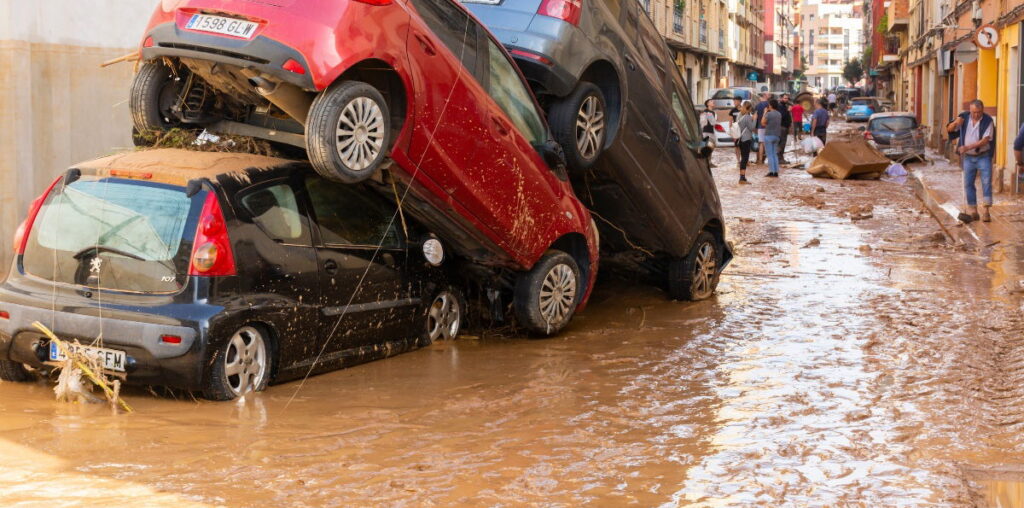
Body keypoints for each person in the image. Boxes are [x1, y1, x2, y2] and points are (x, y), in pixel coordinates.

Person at [947, 99, 996, 222]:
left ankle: (986, 210)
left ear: (982, 110)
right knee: (968, 183)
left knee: (986, 181)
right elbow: (949, 130)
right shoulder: (964, 117)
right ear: (970, 110)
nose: (976, 115)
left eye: (979, 112)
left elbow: (985, 140)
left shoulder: (988, 121)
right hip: (968, 157)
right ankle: (973, 210)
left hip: (983, 155)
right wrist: (955, 123)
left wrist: (967, 147)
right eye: (974, 112)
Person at [761, 99, 782, 177]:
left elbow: (762, 123)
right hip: (777, 135)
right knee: (774, 154)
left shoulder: (768, 114)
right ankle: (776, 172)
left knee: (770, 154)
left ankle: (771, 172)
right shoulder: (779, 114)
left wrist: (764, 112)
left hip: (769, 135)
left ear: (771, 105)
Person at [736, 100, 756, 184]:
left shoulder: (741, 116)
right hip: (746, 139)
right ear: (750, 108)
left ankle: (742, 177)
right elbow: (752, 128)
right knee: (745, 158)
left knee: (743, 158)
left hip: (741, 139)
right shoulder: (747, 117)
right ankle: (742, 178)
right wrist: (755, 119)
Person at [754, 93, 770, 164]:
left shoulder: (757, 105)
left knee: (761, 143)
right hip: (768, 126)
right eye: (768, 94)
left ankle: (760, 160)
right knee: (768, 143)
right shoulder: (768, 104)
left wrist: (755, 127)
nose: (769, 95)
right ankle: (769, 160)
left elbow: (755, 116)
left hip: (760, 126)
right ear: (764, 96)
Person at [777, 94, 792, 164]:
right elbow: (782, 116)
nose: (786, 100)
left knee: (783, 143)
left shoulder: (785, 106)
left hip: (785, 127)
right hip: (781, 127)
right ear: (781, 98)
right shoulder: (780, 106)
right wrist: (788, 111)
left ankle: (781, 157)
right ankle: (779, 158)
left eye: (787, 98)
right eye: (785, 98)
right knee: (781, 143)